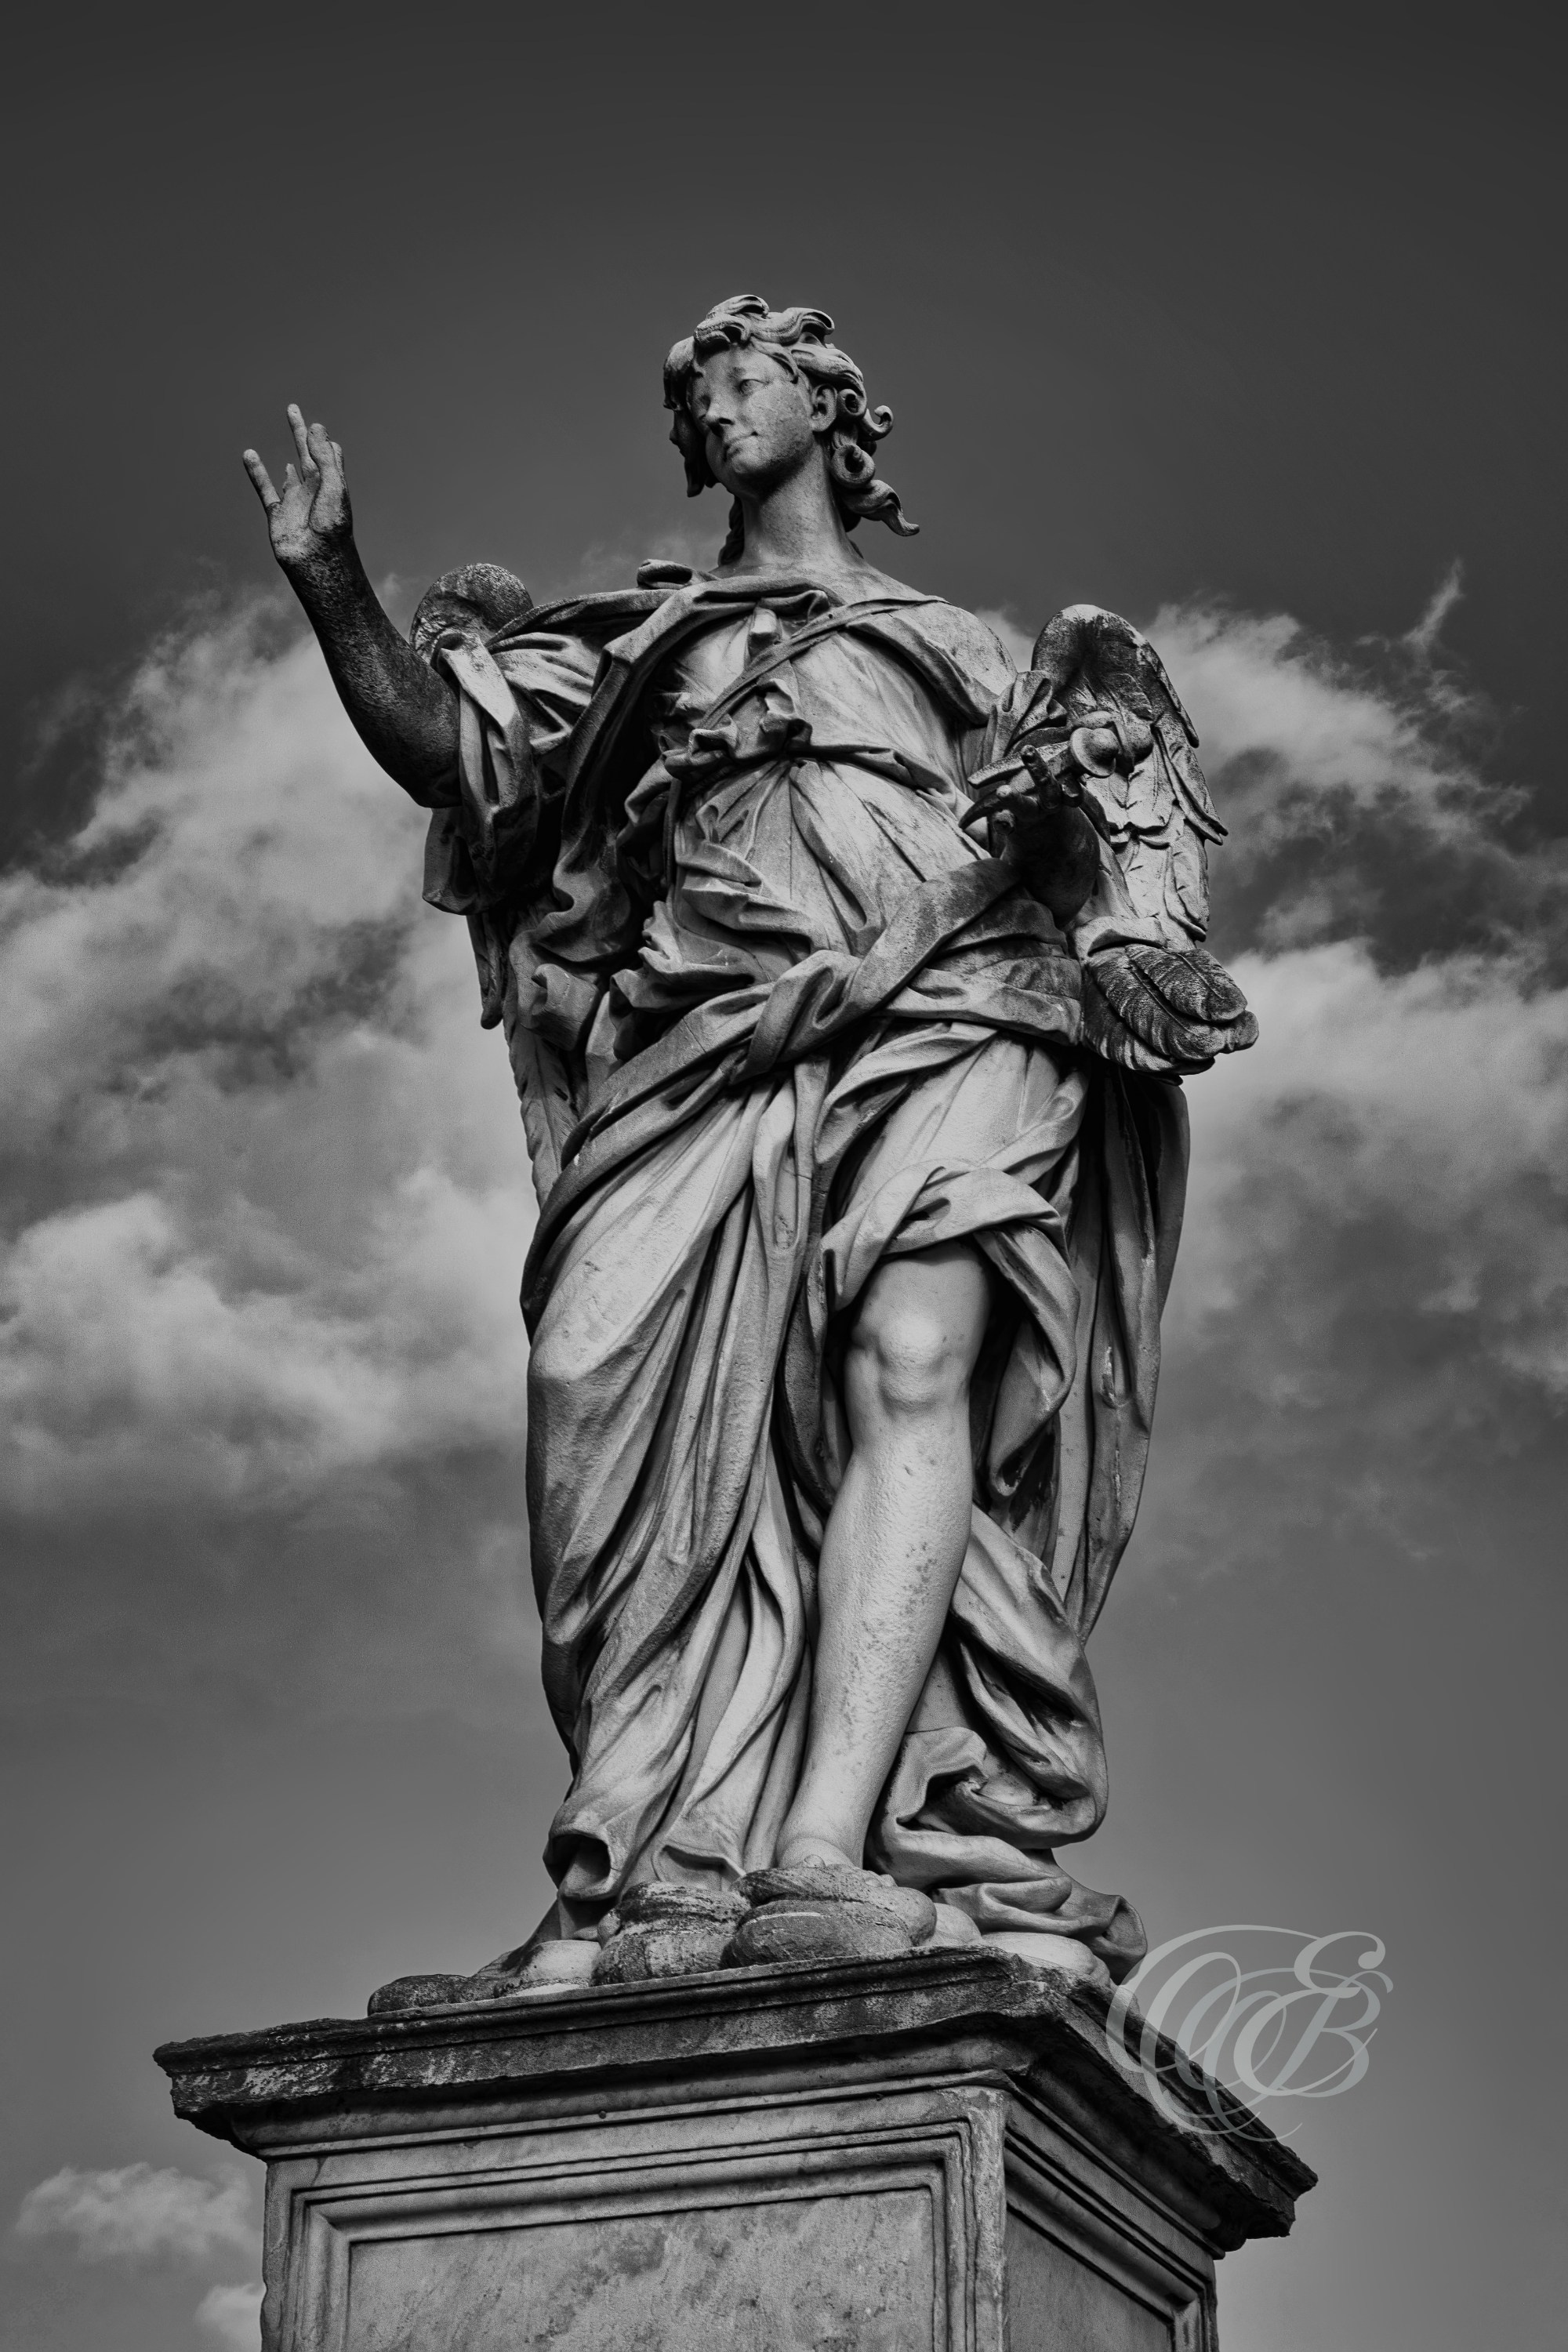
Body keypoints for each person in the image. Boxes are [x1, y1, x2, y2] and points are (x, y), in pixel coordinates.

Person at [244, 296, 1254, 1984]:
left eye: (749, 382)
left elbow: (1106, 845)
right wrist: (332, 579)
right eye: (695, 396)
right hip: (703, 1050)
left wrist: (1141, 954)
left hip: (952, 1007)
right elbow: (459, 761)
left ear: (835, 419)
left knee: (912, 1369)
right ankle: (653, 1861)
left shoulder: (966, 648)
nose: (718, 412)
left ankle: (822, 1850)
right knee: (605, 1410)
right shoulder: (633, 645)